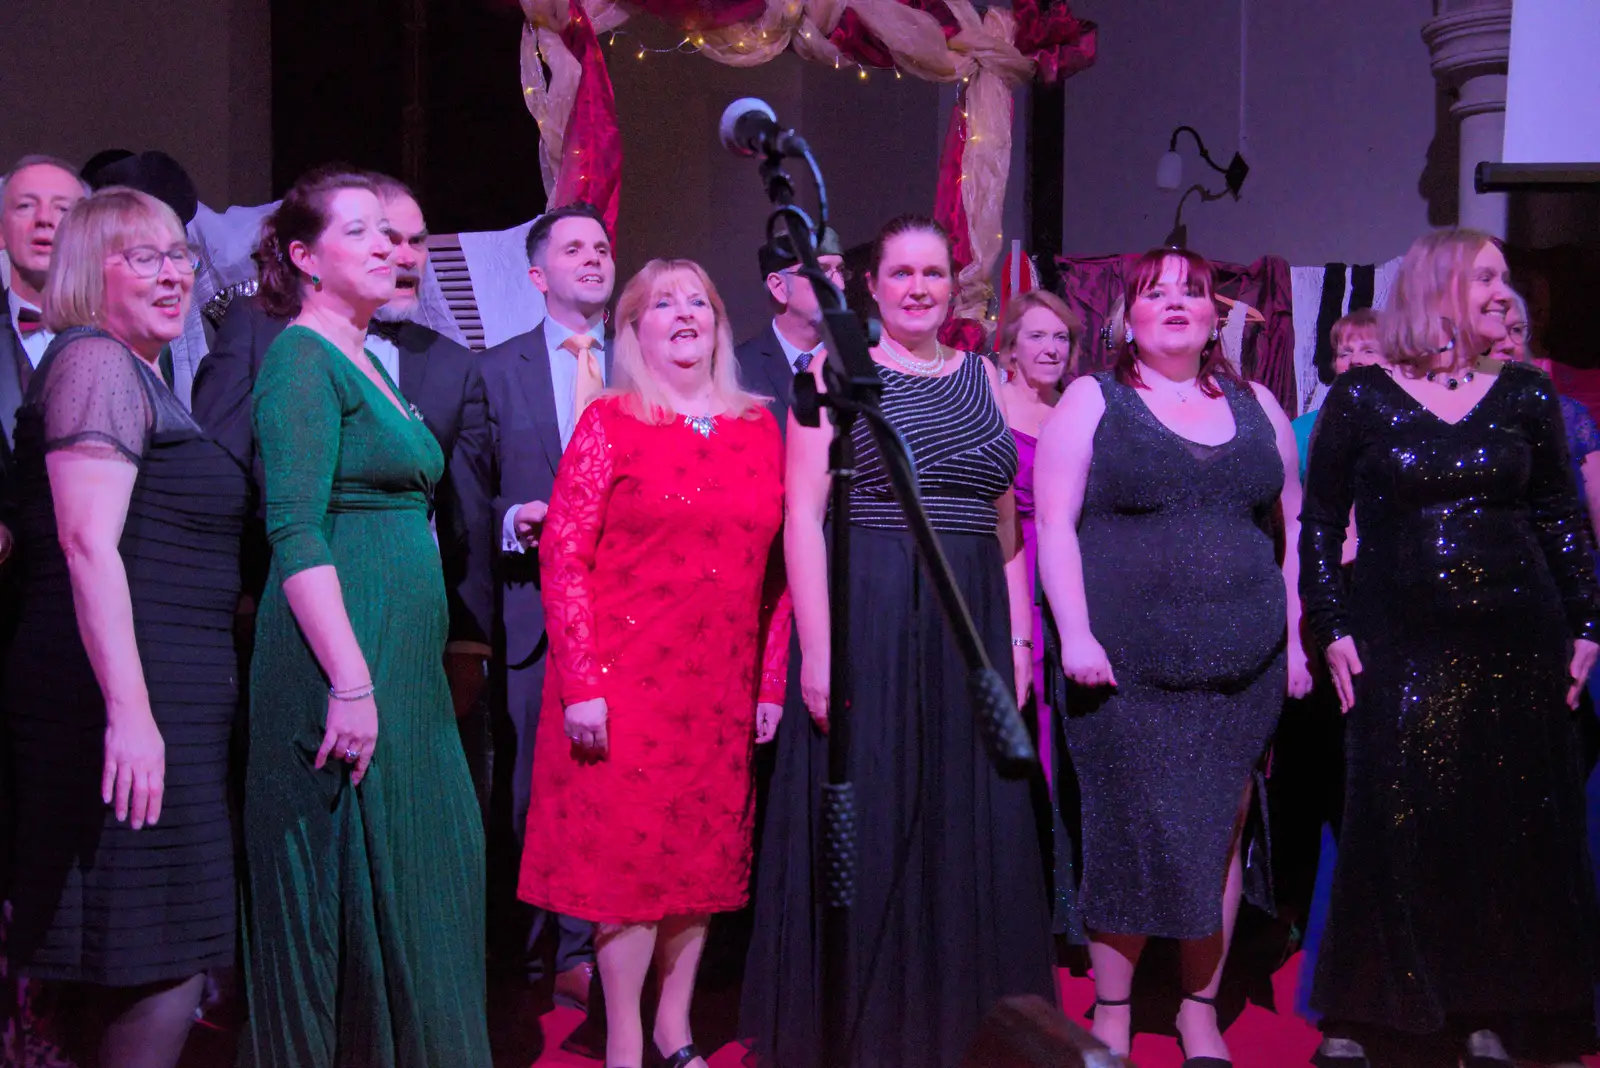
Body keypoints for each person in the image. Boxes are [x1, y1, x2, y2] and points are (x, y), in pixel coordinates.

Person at [742, 214, 1056, 1068]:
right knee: (876, 811)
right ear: (871, 288)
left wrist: (1020, 645)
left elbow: (1007, 524)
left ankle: (960, 1023)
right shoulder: (835, 370)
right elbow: (802, 516)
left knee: (967, 820)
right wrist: (821, 649)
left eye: (935, 273)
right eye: (902, 273)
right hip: (871, 607)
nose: (920, 287)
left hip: (974, 623)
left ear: (955, 286)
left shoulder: (987, 378)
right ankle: (869, 1030)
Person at [1300, 228, 1600, 1068]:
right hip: (1399, 640)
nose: (1506, 293)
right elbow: (1320, 525)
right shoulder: (1362, 400)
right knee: (1398, 820)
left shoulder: (1525, 397)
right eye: (1489, 278)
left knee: (1504, 826)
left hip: (1518, 638)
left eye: (1507, 280)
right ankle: (1380, 1011)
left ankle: (1490, 1008)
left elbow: (1561, 520)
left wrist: (1587, 625)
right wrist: (1330, 625)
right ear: (1438, 285)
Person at [238, 167, 490, 1065]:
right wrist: (350, 682)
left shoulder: (360, 358)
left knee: (431, 871)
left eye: (393, 233)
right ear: (305, 258)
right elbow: (296, 533)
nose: (389, 246)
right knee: (359, 883)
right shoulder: (298, 359)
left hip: (401, 661)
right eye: (362, 233)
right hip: (343, 656)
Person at [1034, 247, 1311, 1064]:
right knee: (1128, 832)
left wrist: (1293, 641)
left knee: (1216, 835)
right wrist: (1076, 634)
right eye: (1156, 294)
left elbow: (1289, 534)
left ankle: (1198, 1007)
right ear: (1128, 317)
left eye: (1193, 292)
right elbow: (1053, 528)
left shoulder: (1259, 403)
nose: (1178, 304)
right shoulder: (1094, 398)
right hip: (1123, 669)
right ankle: (1113, 1006)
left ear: (1217, 314)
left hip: (1242, 670)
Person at [519, 257, 789, 1068]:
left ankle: (676, 1029)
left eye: (698, 301)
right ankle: (628, 1042)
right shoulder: (611, 422)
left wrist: (769, 680)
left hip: (718, 689)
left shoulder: (758, 426)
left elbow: (778, 574)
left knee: (701, 865)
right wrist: (582, 685)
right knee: (629, 875)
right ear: (632, 327)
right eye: (661, 303)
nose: (683, 314)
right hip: (622, 686)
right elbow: (563, 555)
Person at [4, 186, 247, 1068]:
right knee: (153, 962)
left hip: (160, 706)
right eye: (141, 256)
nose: (171, 273)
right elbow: (85, 544)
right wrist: (133, 714)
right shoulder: (96, 362)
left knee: (151, 959)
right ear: (85, 270)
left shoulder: (138, 373)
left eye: (178, 255)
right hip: (120, 711)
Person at [190, 173, 493, 723]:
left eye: (412, 240)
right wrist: (238, 592)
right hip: (298, 600)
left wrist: (466, 639)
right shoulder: (283, 341)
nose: (396, 253)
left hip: (409, 618)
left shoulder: (416, 363)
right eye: (374, 235)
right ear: (307, 256)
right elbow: (228, 465)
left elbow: (461, 513)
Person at [478, 202, 614, 1012]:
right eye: (573, 249)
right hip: (532, 616)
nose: (593, 258)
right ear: (538, 275)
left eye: (600, 247)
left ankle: (591, 952)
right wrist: (509, 518)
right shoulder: (493, 371)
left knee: (609, 790)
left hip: (627, 618)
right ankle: (526, 960)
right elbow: (468, 488)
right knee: (530, 793)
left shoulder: (644, 367)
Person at [996, 289, 1080, 771]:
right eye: (1038, 336)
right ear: (1011, 346)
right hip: (1010, 562)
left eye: (1061, 337)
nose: (1052, 348)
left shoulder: (1078, 409)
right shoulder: (993, 403)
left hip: (1067, 569)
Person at [733, 227, 846, 430]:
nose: (839, 284)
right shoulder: (738, 370)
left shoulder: (858, 360)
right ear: (779, 287)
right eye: (822, 271)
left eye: (840, 271)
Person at [1291, 309, 1381, 484]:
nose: (1355, 360)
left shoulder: (1412, 427)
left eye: (1369, 351)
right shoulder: (1302, 431)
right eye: (1344, 354)